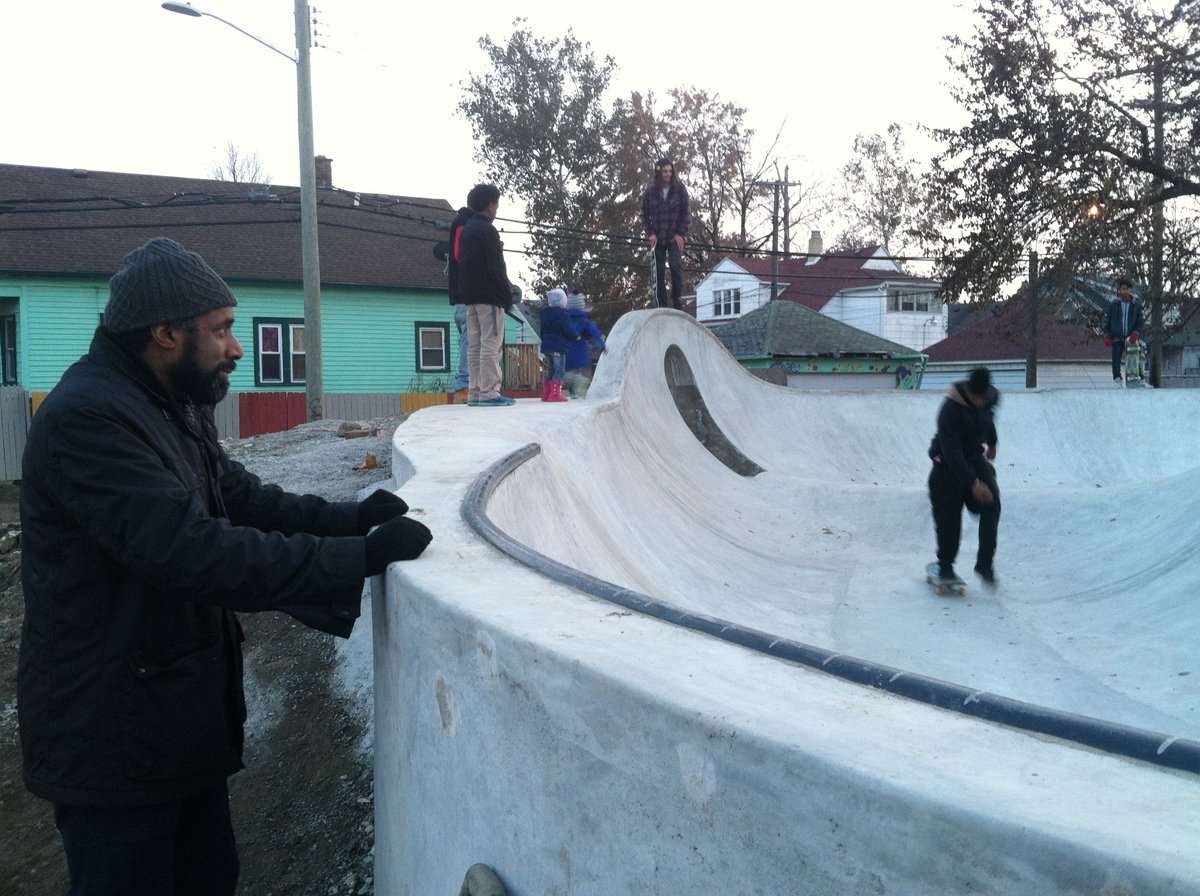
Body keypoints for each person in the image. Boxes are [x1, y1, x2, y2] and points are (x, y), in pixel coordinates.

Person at [17, 237, 433, 896]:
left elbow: (238, 497)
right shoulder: (88, 419)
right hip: (113, 740)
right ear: (165, 334)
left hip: (170, 723)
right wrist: (354, 559)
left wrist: (350, 519)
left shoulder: (165, 401)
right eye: (221, 330)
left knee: (210, 878)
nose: (238, 347)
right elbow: (189, 549)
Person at [927, 366, 1001, 588]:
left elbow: (988, 419)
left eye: (983, 398)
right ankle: (946, 566)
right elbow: (951, 451)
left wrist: (992, 442)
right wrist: (973, 483)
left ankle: (984, 565)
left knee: (992, 504)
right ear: (969, 391)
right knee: (949, 517)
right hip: (947, 466)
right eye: (976, 398)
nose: (980, 402)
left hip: (975, 459)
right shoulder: (950, 409)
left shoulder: (989, 397)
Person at [458, 183, 515, 407]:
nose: (496, 210)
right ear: (490, 205)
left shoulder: (467, 230)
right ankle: (490, 392)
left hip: (469, 297)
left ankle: (475, 392)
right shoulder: (488, 231)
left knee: (474, 346)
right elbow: (496, 268)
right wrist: (507, 296)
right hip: (489, 297)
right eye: (496, 206)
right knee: (491, 344)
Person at [640, 157, 691, 309]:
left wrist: (680, 234)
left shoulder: (680, 190)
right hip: (658, 237)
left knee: (675, 266)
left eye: (670, 171)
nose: (668, 174)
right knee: (659, 270)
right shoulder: (650, 192)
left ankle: (677, 299)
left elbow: (686, 213)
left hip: (674, 236)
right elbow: (644, 215)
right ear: (659, 173)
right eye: (664, 171)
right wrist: (650, 233)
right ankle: (661, 303)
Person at [446, 201, 472, 395]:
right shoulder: (464, 223)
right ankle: (464, 383)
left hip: (460, 297)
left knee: (467, 339)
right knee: (470, 339)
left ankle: (468, 382)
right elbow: (460, 255)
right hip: (467, 297)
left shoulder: (460, 222)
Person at [564, 287, 607, 399]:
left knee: (569, 371)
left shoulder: (564, 319)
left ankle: (573, 392)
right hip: (581, 350)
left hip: (566, 350)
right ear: (581, 305)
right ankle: (579, 389)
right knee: (579, 372)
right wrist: (602, 346)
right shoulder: (584, 320)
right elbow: (595, 333)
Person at [1103, 278, 1144, 384]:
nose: (1124, 291)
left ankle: (1138, 377)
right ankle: (1117, 377)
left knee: (1134, 357)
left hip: (1130, 337)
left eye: (1126, 289)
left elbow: (1140, 322)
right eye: (1122, 289)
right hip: (1117, 335)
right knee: (1116, 358)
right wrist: (1107, 335)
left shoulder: (1136, 305)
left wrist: (1136, 333)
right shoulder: (1114, 304)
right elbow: (1107, 320)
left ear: (1130, 290)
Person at [539, 288, 576, 402]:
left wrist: (545, 341)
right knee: (559, 370)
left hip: (547, 347)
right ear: (563, 302)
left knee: (551, 370)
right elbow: (567, 330)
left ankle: (547, 394)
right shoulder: (563, 315)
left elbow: (542, 332)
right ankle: (555, 395)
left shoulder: (544, 314)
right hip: (559, 347)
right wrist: (575, 336)